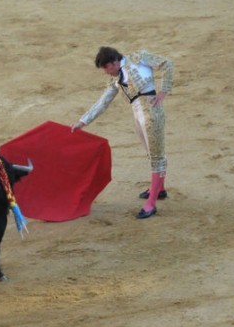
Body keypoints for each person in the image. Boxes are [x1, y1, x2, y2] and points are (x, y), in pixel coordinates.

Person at [71, 46, 173, 219]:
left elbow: (166, 63)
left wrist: (164, 91)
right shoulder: (117, 80)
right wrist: (83, 121)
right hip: (138, 115)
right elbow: (103, 101)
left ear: (114, 62)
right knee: (151, 153)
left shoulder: (139, 57)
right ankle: (160, 189)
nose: (106, 72)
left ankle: (151, 204)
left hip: (152, 113)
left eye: (106, 68)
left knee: (156, 157)